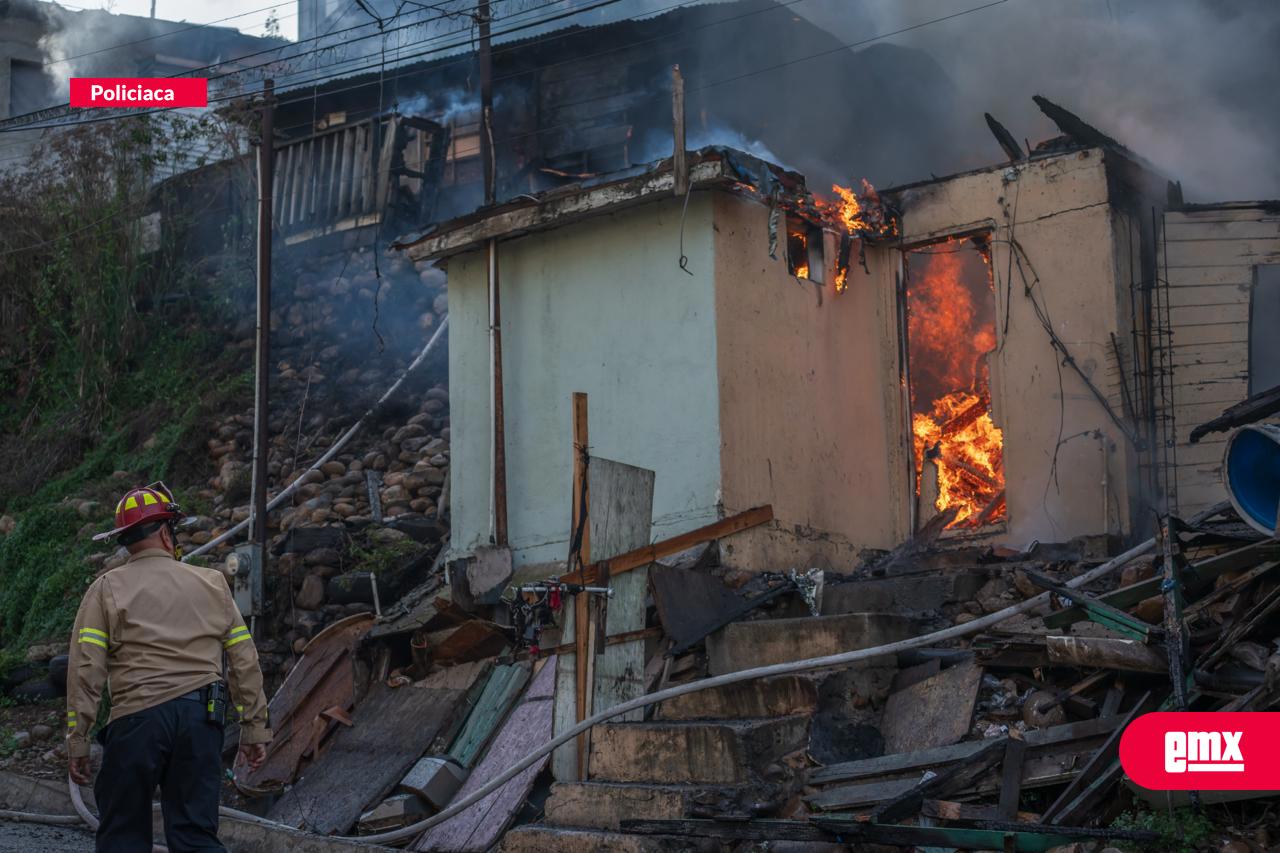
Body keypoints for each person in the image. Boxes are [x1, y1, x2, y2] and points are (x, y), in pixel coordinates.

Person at [67, 482, 272, 852]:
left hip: (137, 723)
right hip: (200, 722)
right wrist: (253, 727)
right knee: (196, 837)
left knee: (122, 837)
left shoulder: (106, 588)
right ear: (166, 532)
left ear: (124, 540)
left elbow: (86, 669)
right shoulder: (213, 583)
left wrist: (78, 738)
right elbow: (244, 660)